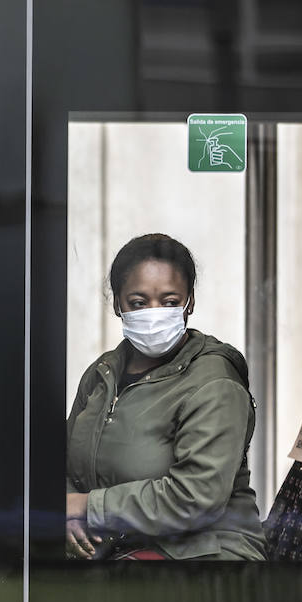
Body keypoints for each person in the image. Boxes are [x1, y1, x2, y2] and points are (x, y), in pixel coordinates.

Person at [65, 233, 266, 561]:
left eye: (170, 301)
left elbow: (195, 497)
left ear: (190, 303)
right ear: (118, 304)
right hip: (118, 547)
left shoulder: (215, 383)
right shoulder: (103, 374)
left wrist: (86, 507)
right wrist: (69, 514)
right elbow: (66, 461)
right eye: (139, 303)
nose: (154, 314)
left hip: (206, 557)